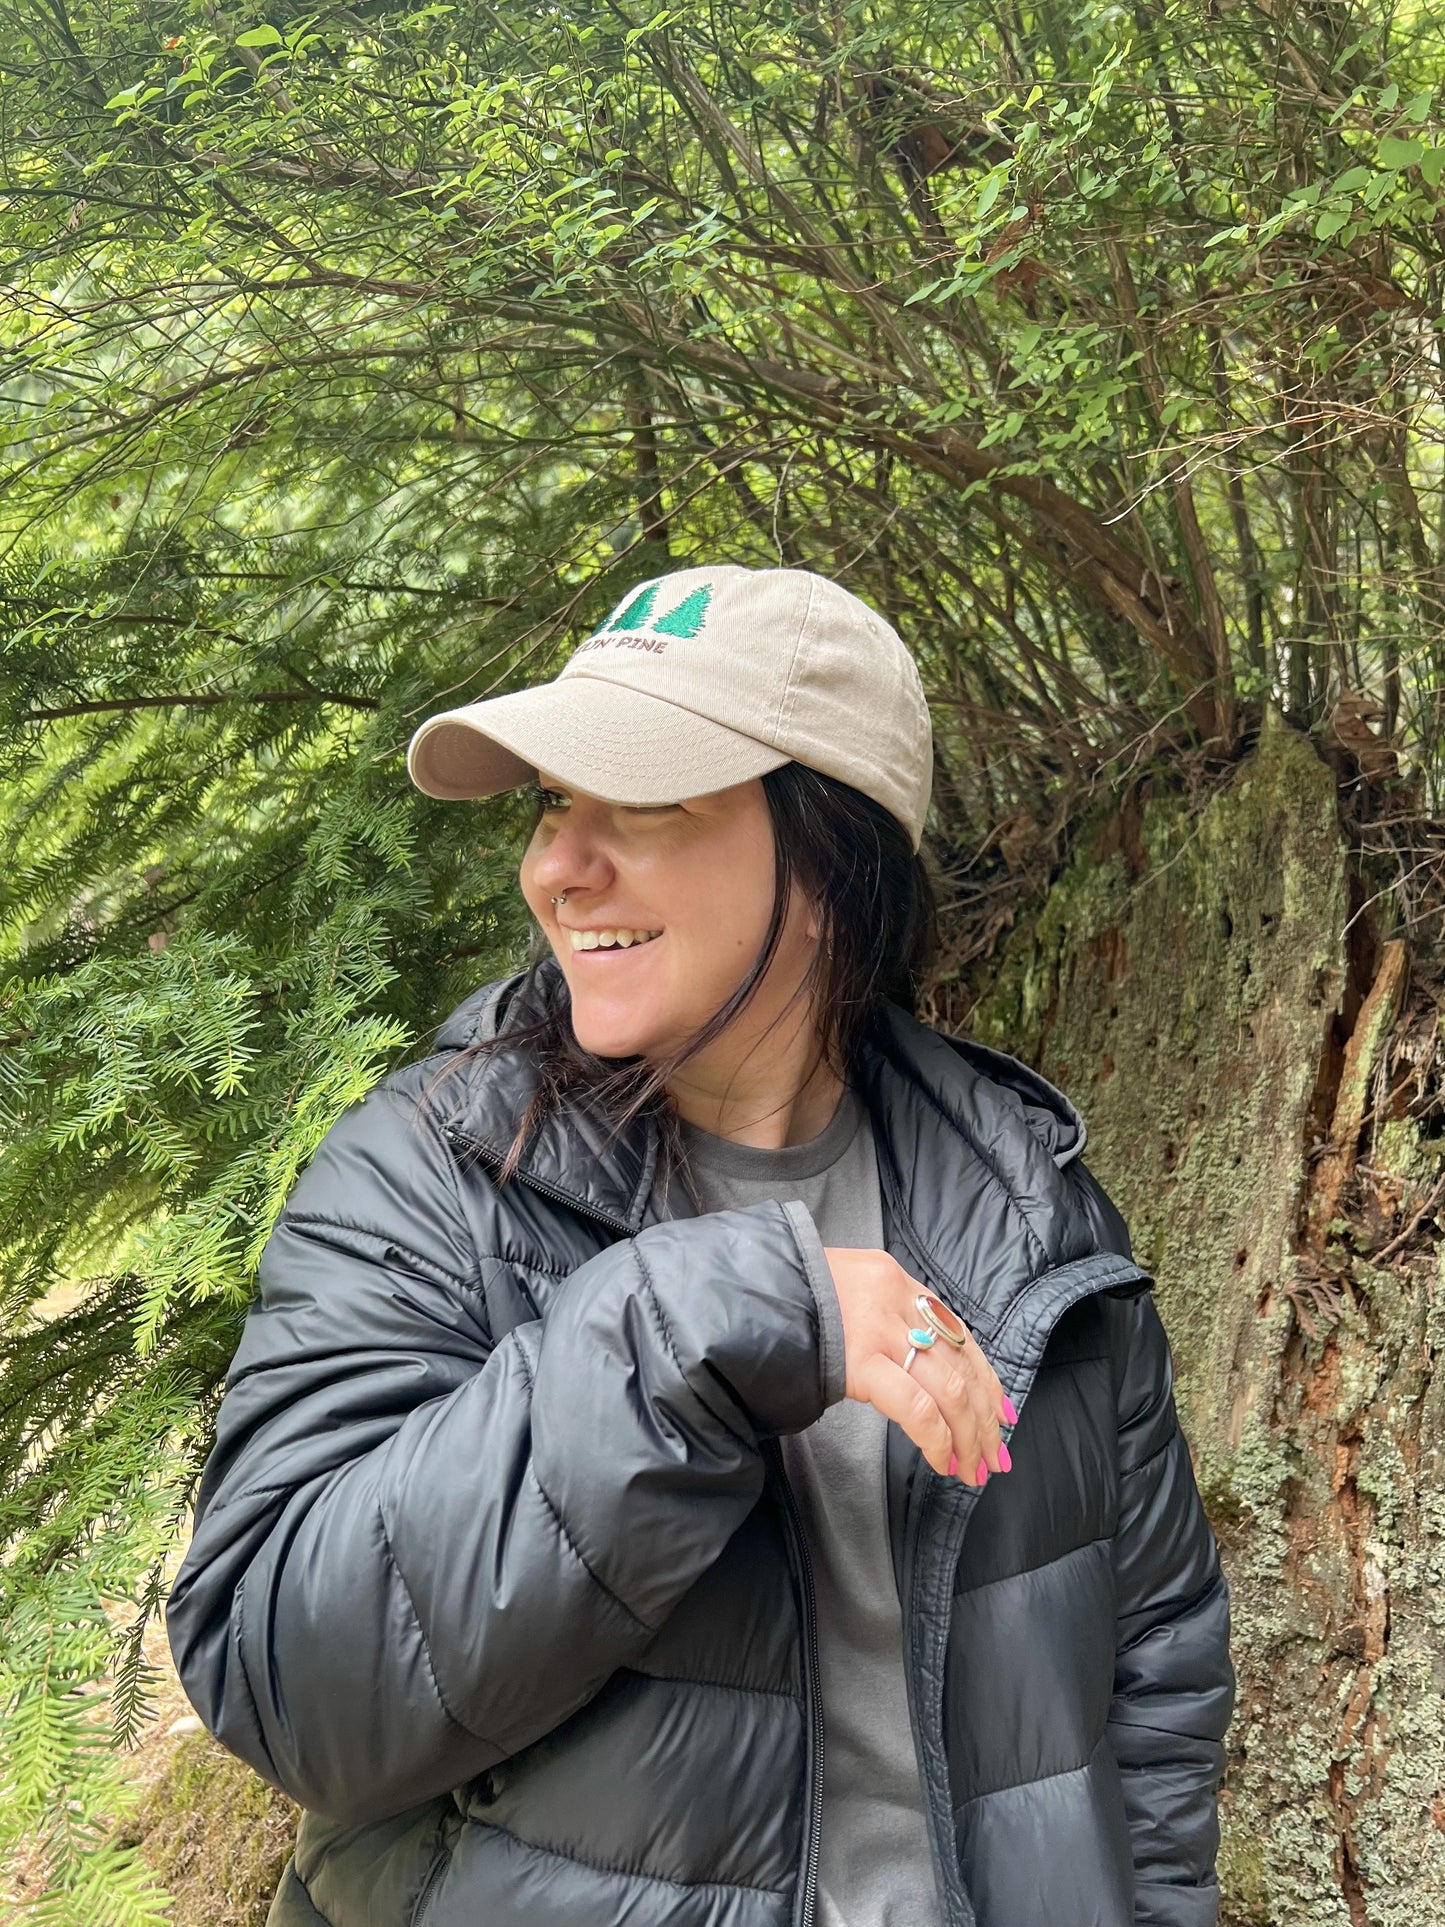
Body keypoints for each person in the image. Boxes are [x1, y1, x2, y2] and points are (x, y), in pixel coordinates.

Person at [167, 564, 1234, 1927]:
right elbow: (287, 1686)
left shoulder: (1028, 1210)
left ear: (832, 848)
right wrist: (689, 1326)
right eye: (554, 802)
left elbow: (1153, 1663)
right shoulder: (430, 1178)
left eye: (646, 802)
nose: (557, 864)